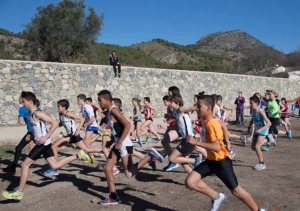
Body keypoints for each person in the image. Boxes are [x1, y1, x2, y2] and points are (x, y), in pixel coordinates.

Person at [2, 92, 91, 201]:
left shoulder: (38, 113)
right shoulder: (31, 114)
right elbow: (38, 128)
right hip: (44, 143)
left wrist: (45, 137)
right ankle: (79, 155)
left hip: (42, 143)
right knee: (55, 165)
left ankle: (18, 192)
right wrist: (30, 135)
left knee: (25, 164)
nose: (22, 103)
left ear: (30, 101)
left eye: (24, 101)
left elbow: (53, 123)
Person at [185, 95, 265, 211]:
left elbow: (216, 147)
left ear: (208, 107)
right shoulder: (206, 120)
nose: (197, 108)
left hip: (222, 162)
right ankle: (217, 197)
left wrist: (196, 142)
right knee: (190, 181)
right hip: (211, 161)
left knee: (236, 191)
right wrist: (226, 140)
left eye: (199, 106)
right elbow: (222, 125)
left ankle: (257, 210)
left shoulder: (211, 123)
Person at [97, 90, 163, 205]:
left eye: (100, 100)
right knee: (107, 168)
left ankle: (149, 156)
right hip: (118, 143)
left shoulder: (113, 110)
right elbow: (117, 128)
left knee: (129, 173)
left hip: (123, 145)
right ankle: (113, 196)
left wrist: (119, 142)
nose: (99, 103)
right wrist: (112, 141)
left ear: (107, 100)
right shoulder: (109, 111)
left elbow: (127, 125)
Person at [43, 99, 103, 176]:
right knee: (87, 149)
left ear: (64, 107)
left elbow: (82, 119)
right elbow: (61, 124)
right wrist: (52, 128)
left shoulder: (68, 114)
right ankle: (103, 150)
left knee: (54, 146)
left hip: (73, 136)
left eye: (59, 106)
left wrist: (78, 129)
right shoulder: (61, 115)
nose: (57, 108)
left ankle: (54, 168)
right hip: (70, 136)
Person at [2, 92, 36, 175]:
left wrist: (20, 118)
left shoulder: (22, 109)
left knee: (18, 148)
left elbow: (20, 122)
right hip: (36, 132)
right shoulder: (36, 108)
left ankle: (13, 168)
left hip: (31, 132)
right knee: (43, 147)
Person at [247, 95, 271, 170]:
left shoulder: (261, 111)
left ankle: (262, 163)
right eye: (250, 103)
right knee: (253, 147)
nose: (250, 105)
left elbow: (269, 123)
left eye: (251, 103)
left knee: (257, 147)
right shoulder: (252, 111)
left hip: (263, 130)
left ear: (257, 103)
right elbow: (253, 119)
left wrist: (261, 129)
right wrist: (249, 126)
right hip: (257, 130)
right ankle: (268, 139)